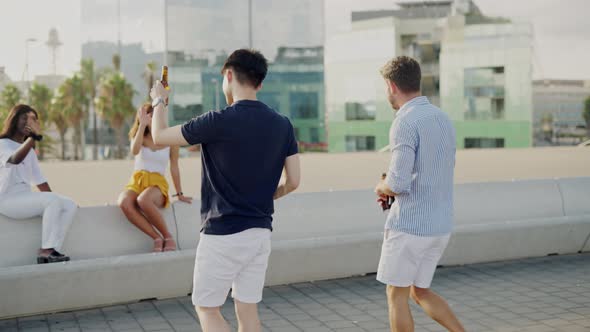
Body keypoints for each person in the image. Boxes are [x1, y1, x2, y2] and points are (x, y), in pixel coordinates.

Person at [150, 49, 300, 332]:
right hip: (259, 232)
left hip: (222, 234)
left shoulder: (217, 121)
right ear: (260, 83)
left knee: (207, 308)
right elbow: (293, 181)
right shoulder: (283, 125)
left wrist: (159, 100)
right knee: (247, 309)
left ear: (228, 75)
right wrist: (268, 195)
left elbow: (158, 137)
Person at [374, 56, 465, 332]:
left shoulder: (404, 122)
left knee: (396, 295)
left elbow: (398, 183)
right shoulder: (442, 119)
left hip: (411, 227)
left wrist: (381, 186)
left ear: (391, 86)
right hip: (439, 225)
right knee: (419, 291)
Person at [0, 104, 77, 264]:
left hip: (24, 196)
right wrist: (32, 139)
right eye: (25, 118)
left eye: (33, 119)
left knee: (69, 205)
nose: (29, 121)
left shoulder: (30, 152)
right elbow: (15, 159)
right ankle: (46, 250)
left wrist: (57, 199)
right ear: (14, 120)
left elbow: (40, 181)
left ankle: (53, 250)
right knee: (52, 200)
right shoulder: (3, 144)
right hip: (6, 199)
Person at [118, 103, 192, 252]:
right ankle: (156, 237)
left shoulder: (170, 139)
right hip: (137, 180)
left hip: (157, 183)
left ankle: (168, 236)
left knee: (143, 200)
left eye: (155, 114)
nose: (152, 117)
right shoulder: (139, 136)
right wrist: (142, 125)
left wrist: (179, 193)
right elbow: (134, 150)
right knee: (124, 202)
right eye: (148, 115)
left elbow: (174, 167)